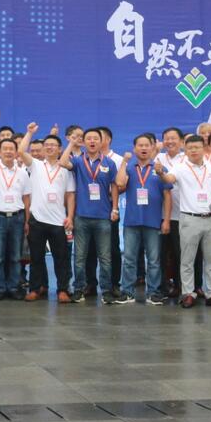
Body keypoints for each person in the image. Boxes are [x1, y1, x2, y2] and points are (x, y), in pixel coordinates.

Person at [156, 135, 211, 308]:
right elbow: (169, 180)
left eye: (197, 147)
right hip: (189, 219)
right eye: (190, 148)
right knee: (187, 259)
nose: (194, 150)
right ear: (185, 150)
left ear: (204, 148)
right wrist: (161, 173)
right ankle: (188, 293)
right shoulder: (180, 168)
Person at [59, 127, 118, 305]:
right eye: (88, 138)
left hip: (103, 217)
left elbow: (114, 186)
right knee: (79, 257)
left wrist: (115, 208)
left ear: (101, 142)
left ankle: (106, 291)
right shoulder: (78, 161)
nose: (92, 141)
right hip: (81, 217)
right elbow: (62, 162)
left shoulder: (109, 163)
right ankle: (79, 289)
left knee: (105, 258)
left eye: (95, 138)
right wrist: (71, 143)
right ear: (84, 142)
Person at [113, 134, 171, 305]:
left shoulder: (159, 168)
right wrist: (124, 162)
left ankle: (153, 292)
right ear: (134, 148)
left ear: (152, 148)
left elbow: (167, 196)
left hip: (153, 222)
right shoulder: (130, 168)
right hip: (132, 222)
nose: (144, 148)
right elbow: (119, 183)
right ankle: (127, 292)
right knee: (129, 259)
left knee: (154, 260)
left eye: (147, 145)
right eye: (140, 145)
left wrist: (166, 220)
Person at [18, 131, 76, 302]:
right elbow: (20, 151)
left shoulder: (66, 168)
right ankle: (36, 288)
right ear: (43, 149)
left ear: (60, 149)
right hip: (37, 219)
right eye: (47, 145)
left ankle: (62, 290)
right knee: (36, 257)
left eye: (53, 145)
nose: (49, 148)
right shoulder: (35, 165)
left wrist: (70, 216)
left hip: (59, 220)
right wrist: (29, 133)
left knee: (61, 258)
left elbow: (70, 195)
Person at [0, 126, 35, 301]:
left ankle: (14, 287)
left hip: (17, 217)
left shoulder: (22, 173)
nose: (8, 152)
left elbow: (26, 198)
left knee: (15, 256)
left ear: (16, 152)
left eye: (11, 149)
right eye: (4, 149)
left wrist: (27, 221)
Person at [155, 127, 185, 298]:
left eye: (173, 138)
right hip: (161, 214)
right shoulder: (158, 158)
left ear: (181, 141)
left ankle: (181, 286)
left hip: (182, 214)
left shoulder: (186, 159)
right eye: (167, 138)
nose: (170, 141)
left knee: (180, 254)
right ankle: (163, 286)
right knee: (162, 254)